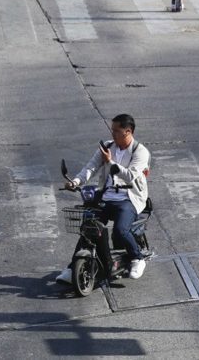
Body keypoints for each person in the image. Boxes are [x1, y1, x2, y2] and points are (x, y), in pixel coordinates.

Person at [55, 114, 151, 283]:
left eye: (116, 130)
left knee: (121, 230)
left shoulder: (140, 152)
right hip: (106, 197)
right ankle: (72, 269)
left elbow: (130, 176)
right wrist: (75, 181)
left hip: (128, 199)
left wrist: (111, 163)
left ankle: (137, 259)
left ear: (127, 132)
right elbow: (90, 167)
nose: (112, 133)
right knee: (88, 228)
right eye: (111, 129)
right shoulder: (107, 146)